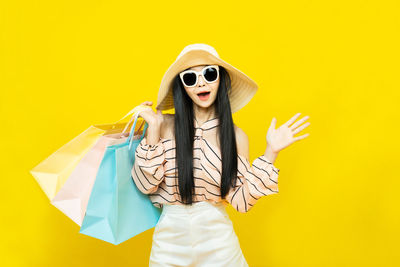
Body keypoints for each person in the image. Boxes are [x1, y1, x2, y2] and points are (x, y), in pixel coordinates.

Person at [131, 43, 310, 267]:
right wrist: (154, 128)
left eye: (209, 73)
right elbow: (146, 185)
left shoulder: (235, 136)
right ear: (182, 87)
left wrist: (271, 151)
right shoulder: (163, 125)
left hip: (218, 242)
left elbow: (241, 202)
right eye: (190, 78)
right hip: (169, 242)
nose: (201, 83)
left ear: (220, 79)